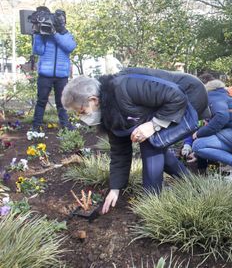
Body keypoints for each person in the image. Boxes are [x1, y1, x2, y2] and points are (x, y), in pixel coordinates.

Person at [61, 68, 209, 213]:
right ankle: (192, 184)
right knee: (153, 142)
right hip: (171, 102)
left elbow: (176, 96)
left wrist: (154, 124)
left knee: (150, 142)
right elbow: (120, 151)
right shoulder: (108, 111)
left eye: (81, 111)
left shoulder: (125, 87)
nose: (81, 117)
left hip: (189, 94)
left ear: (93, 100)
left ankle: (152, 203)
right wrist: (115, 188)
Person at [32, 8, 77, 130]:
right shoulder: (44, 34)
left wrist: (56, 34)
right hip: (45, 74)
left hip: (61, 75)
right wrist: (37, 34)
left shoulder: (66, 34)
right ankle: (36, 127)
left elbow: (70, 47)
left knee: (61, 103)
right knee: (41, 101)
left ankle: (66, 126)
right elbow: (38, 51)